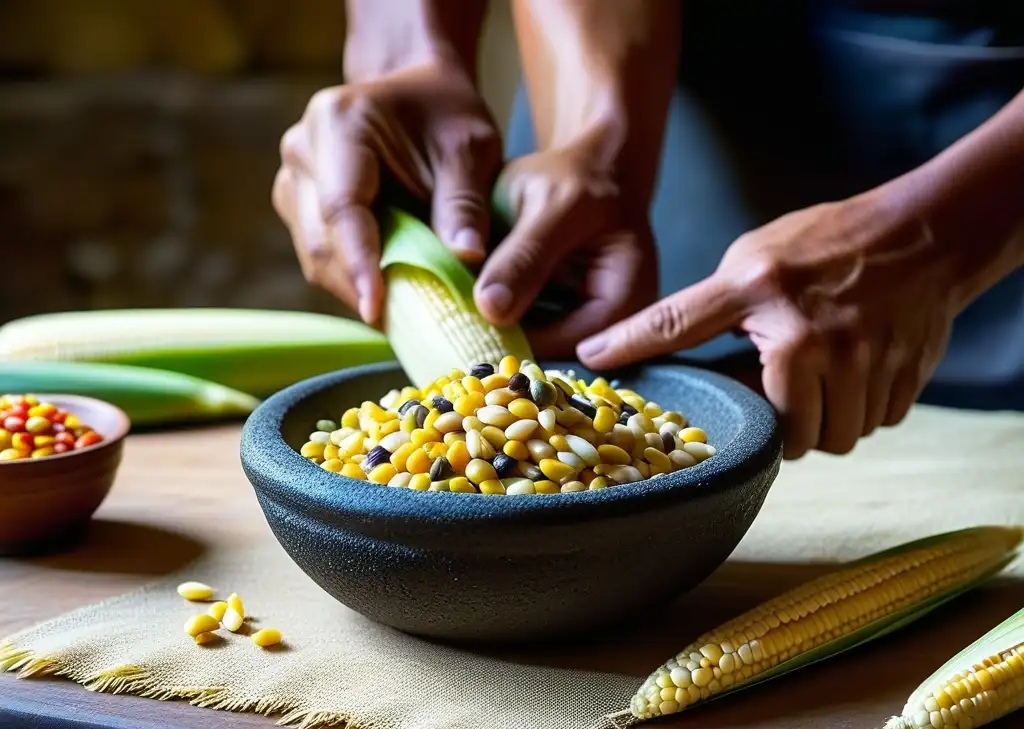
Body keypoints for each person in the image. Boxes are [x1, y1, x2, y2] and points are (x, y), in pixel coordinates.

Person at [272, 1, 1024, 460]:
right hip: (664, 125)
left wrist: (949, 232)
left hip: (983, 146)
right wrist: (596, 142)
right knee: (622, 430)